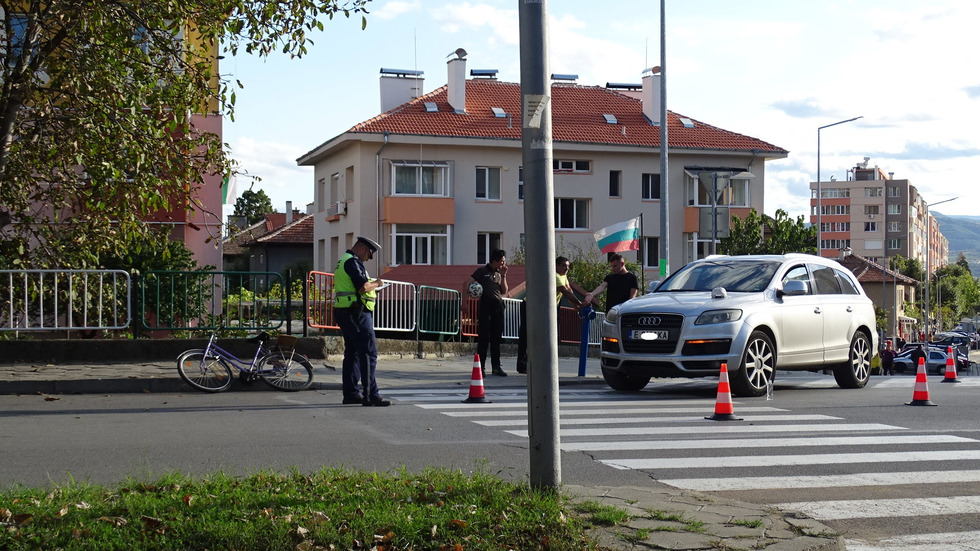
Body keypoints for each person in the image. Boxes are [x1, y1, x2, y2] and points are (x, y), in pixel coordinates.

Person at [334, 236, 391, 407]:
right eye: (369, 255)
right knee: (368, 353)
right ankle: (370, 395)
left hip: (347, 311)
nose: (368, 259)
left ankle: (351, 394)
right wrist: (377, 283)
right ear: (362, 250)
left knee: (353, 353)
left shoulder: (343, 260)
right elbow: (363, 287)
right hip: (356, 312)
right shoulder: (352, 262)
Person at [516, 256, 590, 373]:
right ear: (556, 266)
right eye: (563, 266)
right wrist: (580, 303)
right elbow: (565, 292)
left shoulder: (562, 276)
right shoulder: (554, 276)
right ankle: (522, 365)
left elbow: (569, 290)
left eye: (568, 266)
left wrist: (577, 307)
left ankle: (541, 363)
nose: (566, 268)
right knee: (527, 334)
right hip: (531, 306)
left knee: (546, 335)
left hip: (546, 308)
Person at [464, 249, 509, 376]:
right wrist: (464, 303)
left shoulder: (499, 273)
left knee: (496, 338)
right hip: (486, 306)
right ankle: (481, 367)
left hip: (498, 306)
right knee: (483, 338)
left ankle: (496, 366)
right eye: (502, 262)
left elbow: (504, 290)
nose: (504, 264)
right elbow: (466, 283)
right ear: (495, 261)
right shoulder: (482, 271)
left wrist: (504, 275)